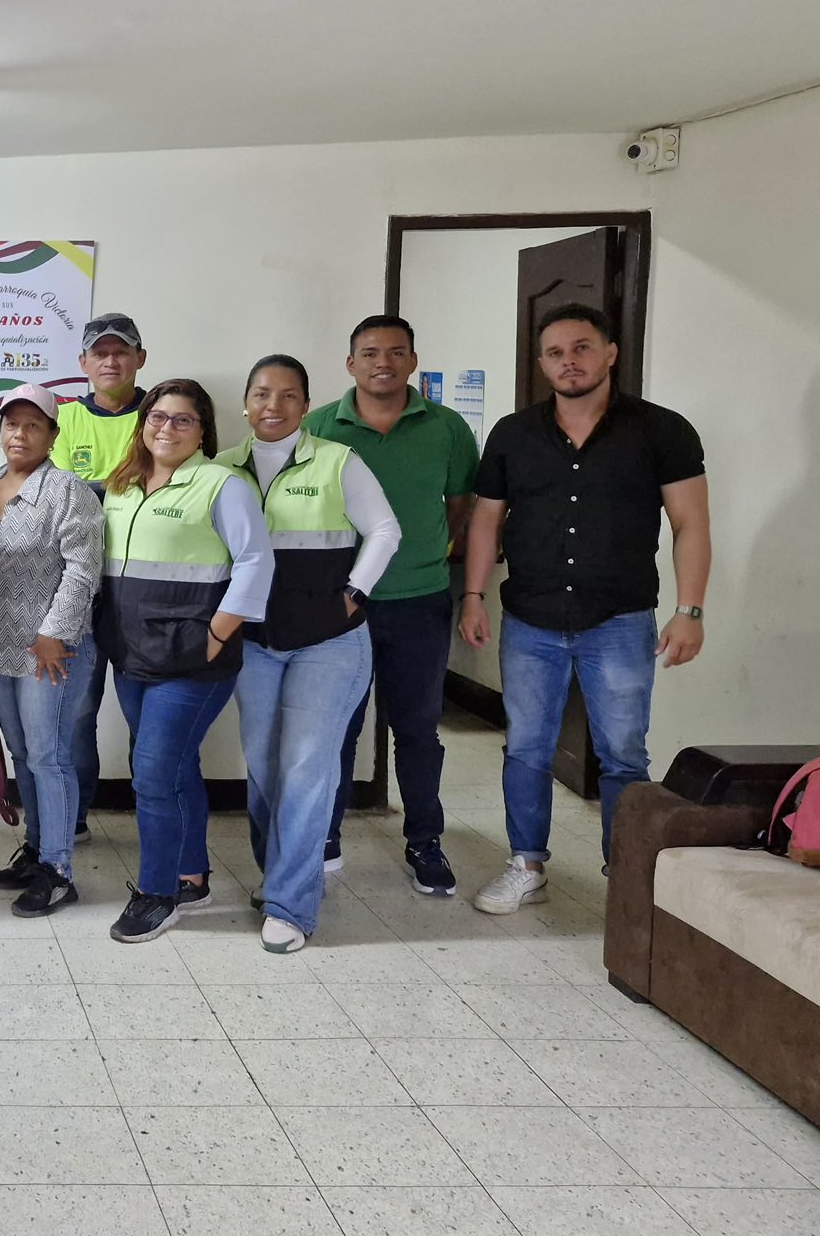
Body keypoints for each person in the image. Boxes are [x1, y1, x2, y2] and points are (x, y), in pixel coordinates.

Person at [459, 304, 710, 912]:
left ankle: (625, 873)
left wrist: (691, 610)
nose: (568, 361)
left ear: (610, 353)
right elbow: (486, 519)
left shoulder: (662, 430)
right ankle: (526, 864)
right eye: (555, 352)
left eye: (581, 348)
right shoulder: (513, 434)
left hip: (619, 619)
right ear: (542, 363)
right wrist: (472, 596)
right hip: (531, 619)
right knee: (526, 746)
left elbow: (691, 523)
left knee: (623, 752)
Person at [218, 357, 402, 953]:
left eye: (288, 395)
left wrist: (354, 594)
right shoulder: (221, 468)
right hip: (256, 643)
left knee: (305, 767)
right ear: (246, 402)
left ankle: (291, 903)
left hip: (329, 642)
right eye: (262, 393)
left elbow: (385, 531)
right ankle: (279, 874)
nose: (273, 405)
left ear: (305, 404)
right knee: (264, 766)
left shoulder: (337, 460)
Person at [303, 315, 478, 897]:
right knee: (337, 727)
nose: (384, 362)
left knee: (418, 729)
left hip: (420, 601)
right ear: (350, 363)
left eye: (397, 352)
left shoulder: (447, 427)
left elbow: (460, 506)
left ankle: (424, 839)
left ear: (413, 361)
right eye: (371, 352)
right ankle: (325, 835)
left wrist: (428, 555)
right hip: (340, 606)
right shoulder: (319, 426)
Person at [98, 379, 274, 944]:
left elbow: (256, 561)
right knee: (174, 769)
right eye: (157, 417)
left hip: (193, 662)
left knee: (153, 774)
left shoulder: (222, 485)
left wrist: (217, 632)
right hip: (131, 655)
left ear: (203, 431)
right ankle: (190, 875)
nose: (166, 428)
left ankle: (157, 894)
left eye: (182, 420)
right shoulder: (121, 484)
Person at [0, 384, 104, 917]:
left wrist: (56, 633)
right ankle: (35, 848)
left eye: (33, 425)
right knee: (23, 753)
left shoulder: (69, 491)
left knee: (50, 756)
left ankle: (58, 870)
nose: (20, 434)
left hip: (51, 648)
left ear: (52, 435)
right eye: (12, 423)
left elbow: (82, 570)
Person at [51, 313, 148, 841]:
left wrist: (94, 490)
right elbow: (61, 494)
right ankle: (75, 816)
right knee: (77, 710)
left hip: (145, 590)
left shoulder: (161, 414)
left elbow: (171, 488)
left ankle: (153, 812)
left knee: (146, 711)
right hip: (78, 588)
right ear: (83, 363)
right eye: (100, 353)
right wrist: (125, 488)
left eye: (121, 351)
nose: (111, 361)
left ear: (140, 358)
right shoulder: (63, 418)